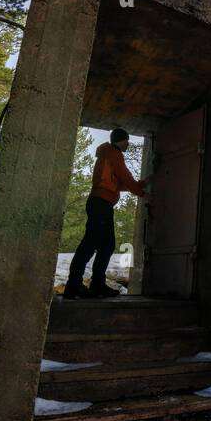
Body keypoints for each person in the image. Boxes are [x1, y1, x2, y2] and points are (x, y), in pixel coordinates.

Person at [64, 128, 149, 299]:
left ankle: (94, 285)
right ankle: (76, 286)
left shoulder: (108, 155)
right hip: (101, 204)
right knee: (91, 244)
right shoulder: (114, 153)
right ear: (122, 140)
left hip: (100, 203)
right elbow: (126, 177)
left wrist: (143, 184)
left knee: (104, 245)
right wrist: (143, 193)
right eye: (127, 140)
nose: (128, 144)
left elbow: (119, 184)